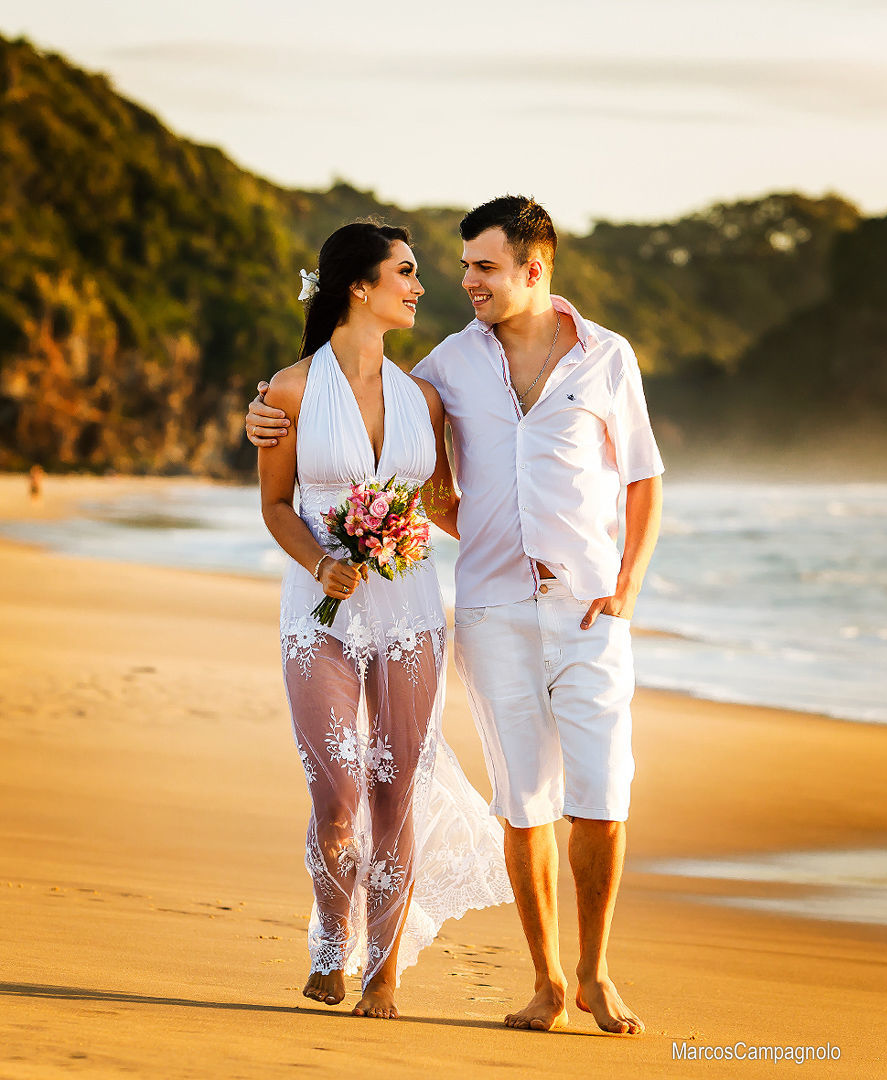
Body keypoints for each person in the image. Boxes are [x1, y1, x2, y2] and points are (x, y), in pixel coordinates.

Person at [248, 196, 663, 1035]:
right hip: (452, 608)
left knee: (573, 794)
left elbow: (635, 478)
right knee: (474, 798)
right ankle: (503, 976)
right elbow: (326, 463)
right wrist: (265, 411)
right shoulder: (441, 367)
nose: (455, 281)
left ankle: (564, 973)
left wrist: (621, 582)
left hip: (552, 609)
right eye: (440, 267)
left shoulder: (593, 361)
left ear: (533, 269)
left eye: (481, 266)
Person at [257, 221, 512, 1020]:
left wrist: (534, 545)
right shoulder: (289, 390)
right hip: (319, 614)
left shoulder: (423, 399)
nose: (419, 286)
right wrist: (319, 562)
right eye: (404, 272)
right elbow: (273, 503)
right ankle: (331, 948)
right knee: (336, 797)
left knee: (396, 791)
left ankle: (382, 974)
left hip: (409, 612)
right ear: (357, 287)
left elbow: (441, 506)